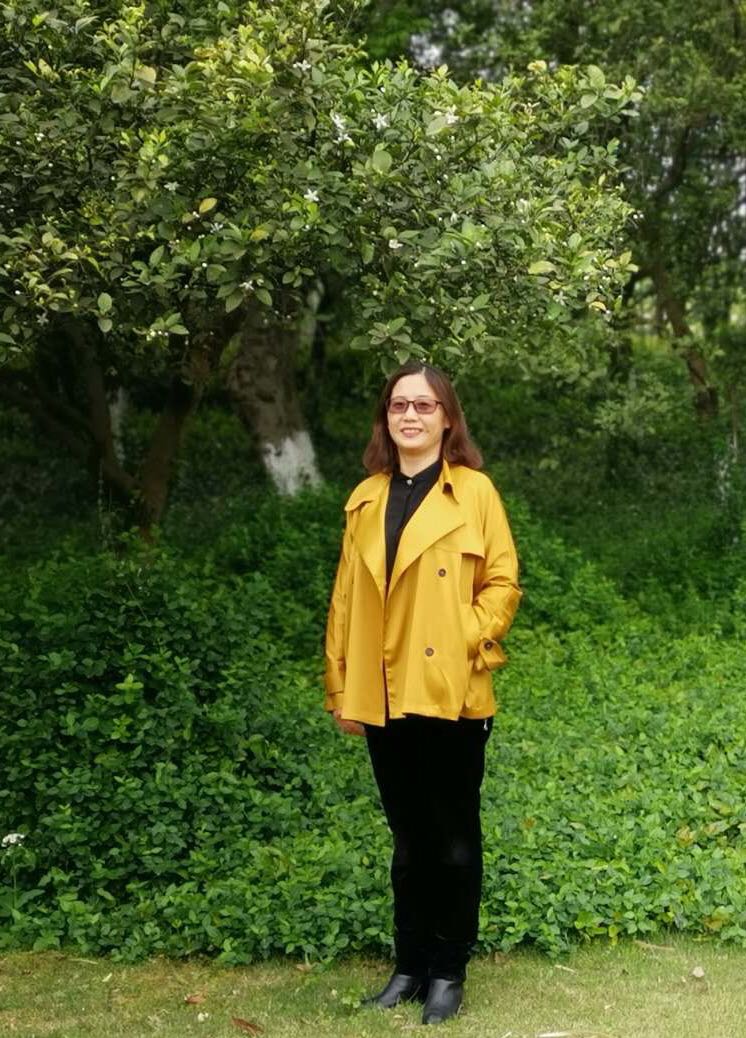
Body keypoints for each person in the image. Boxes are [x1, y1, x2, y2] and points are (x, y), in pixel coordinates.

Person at [323, 361, 521, 1025]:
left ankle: (448, 972)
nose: (410, 415)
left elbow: (503, 582)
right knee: (408, 842)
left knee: (454, 840)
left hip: (450, 690)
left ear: (447, 418)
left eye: (424, 405)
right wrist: (339, 682)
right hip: (382, 690)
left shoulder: (475, 493)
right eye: (398, 405)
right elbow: (345, 599)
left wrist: (466, 633)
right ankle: (408, 967)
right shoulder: (365, 499)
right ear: (385, 418)